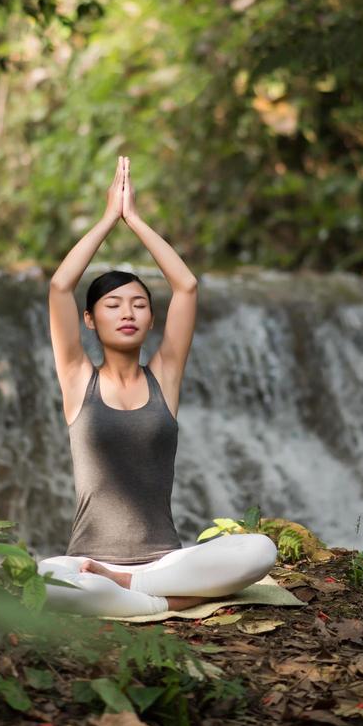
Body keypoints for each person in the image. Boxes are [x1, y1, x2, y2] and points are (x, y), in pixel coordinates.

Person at [38, 155, 278, 617]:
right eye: (113, 304)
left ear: (151, 319)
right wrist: (109, 218)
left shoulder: (164, 377)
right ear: (89, 319)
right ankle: (160, 602)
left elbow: (185, 286)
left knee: (260, 550)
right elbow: (59, 286)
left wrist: (138, 221)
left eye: (139, 304)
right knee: (45, 581)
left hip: (165, 560)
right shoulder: (77, 380)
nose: (127, 313)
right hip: (88, 560)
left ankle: (133, 590)